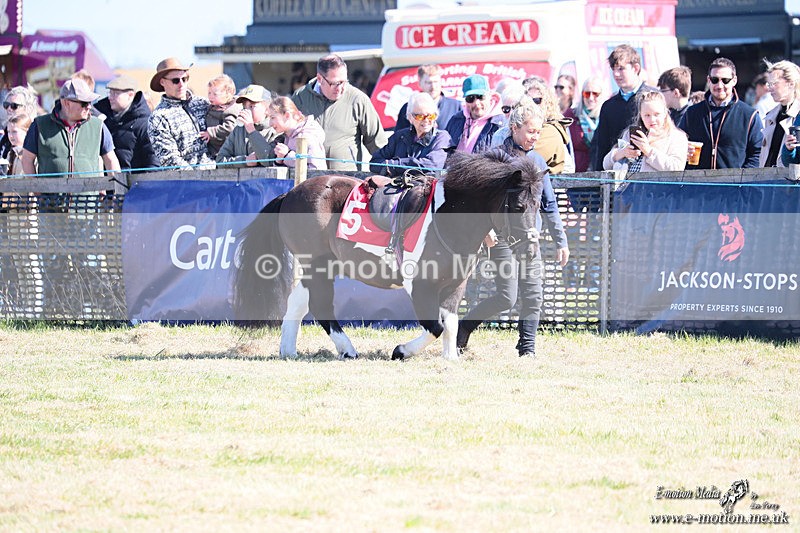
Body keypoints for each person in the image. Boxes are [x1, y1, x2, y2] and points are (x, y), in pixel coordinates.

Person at [457, 97, 569, 358]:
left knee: (533, 295)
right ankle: (464, 328)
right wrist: (485, 230)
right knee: (506, 297)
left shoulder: (539, 161)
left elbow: (549, 203)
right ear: (515, 128)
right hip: (502, 238)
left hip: (530, 236)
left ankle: (527, 349)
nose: (535, 137)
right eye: (531, 131)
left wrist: (561, 240)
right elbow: (475, 198)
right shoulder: (496, 159)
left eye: (538, 132)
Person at [292, 53, 387, 170]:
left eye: (344, 82)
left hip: (346, 177)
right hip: (308, 176)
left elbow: (377, 143)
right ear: (320, 79)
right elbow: (284, 132)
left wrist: (386, 169)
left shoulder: (358, 99)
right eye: (335, 83)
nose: (341, 88)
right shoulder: (300, 97)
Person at [21, 78, 120, 177]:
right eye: (84, 103)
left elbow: (111, 160)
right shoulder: (40, 125)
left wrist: (116, 184)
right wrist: (36, 186)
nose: (89, 107)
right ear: (66, 103)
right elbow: (27, 159)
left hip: (90, 187)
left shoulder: (98, 126)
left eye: (90, 102)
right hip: (51, 188)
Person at [678, 57, 762, 169]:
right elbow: (676, 146)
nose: (719, 85)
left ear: (734, 81)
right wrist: (683, 150)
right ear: (708, 80)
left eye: (725, 80)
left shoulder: (749, 115)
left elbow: (757, 154)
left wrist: (743, 178)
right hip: (698, 179)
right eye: (715, 80)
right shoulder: (691, 113)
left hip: (735, 180)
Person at [590, 44, 657, 170]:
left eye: (621, 69)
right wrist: (599, 177)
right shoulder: (608, 106)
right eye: (613, 69)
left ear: (636, 68)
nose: (616, 74)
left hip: (650, 171)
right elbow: (602, 147)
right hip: (616, 172)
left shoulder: (654, 98)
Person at [147, 57, 215, 170]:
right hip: (188, 179)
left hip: (223, 175)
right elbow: (170, 160)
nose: (181, 84)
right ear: (162, 82)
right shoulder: (158, 118)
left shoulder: (203, 103)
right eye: (175, 80)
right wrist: (198, 178)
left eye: (184, 79)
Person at [602, 90, 688, 173]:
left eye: (657, 114)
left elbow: (677, 168)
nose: (652, 119)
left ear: (665, 113)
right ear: (641, 116)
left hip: (654, 183)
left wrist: (648, 151)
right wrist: (622, 153)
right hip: (625, 182)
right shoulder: (631, 134)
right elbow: (606, 165)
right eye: (647, 115)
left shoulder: (677, 137)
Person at [369, 92, 451, 176]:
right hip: (396, 184)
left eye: (430, 116)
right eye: (420, 116)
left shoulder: (442, 138)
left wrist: (392, 165)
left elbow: (431, 165)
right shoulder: (400, 136)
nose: (426, 120)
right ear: (410, 117)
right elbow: (375, 162)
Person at [92, 75, 159, 172]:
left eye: (115, 93)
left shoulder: (146, 124)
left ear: (130, 95)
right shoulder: (101, 116)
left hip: (135, 180)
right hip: (106, 180)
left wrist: (144, 181)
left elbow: (153, 160)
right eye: (110, 93)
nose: (110, 97)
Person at [216, 84, 282, 168]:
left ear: (267, 109)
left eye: (251, 106)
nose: (246, 110)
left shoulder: (275, 130)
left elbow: (269, 160)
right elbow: (220, 161)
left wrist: (251, 130)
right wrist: (244, 161)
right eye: (244, 106)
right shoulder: (238, 130)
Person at [524, 77, 574, 174]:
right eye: (527, 100)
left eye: (537, 100)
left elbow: (529, 162)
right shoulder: (529, 127)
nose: (531, 105)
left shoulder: (550, 131)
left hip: (549, 182)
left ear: (547, 103)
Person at [445, 74, 503, 154]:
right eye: (470, 98)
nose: (476, 103)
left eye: (480, 97)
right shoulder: (456, 119)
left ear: (490, 96)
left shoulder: (500, 123)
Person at [394, 64, 461, 131]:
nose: (433, 86)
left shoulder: (456, 107)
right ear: (420, 83)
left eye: (436, 82)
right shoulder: (408, 109)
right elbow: (400, 135)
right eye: (428, 82)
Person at [759, 60, 800, 168]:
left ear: (791, 84)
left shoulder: (797, 116)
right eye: (769, 84)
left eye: (774, 83)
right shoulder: (770, 116)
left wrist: (789, 150)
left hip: (789, 177)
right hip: (766, 177)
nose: (769, 88)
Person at [267, 96, 327, 170]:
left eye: (273, 117)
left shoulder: (308, 136)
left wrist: (287, 155)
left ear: (287, 115)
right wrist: (279, 162)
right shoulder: (286, 137)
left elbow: (317, 169)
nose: (270, 123)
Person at [563, 76, 605, 172]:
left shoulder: (606, 116)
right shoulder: (570, 115)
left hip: (601, 171)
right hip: (576, 172)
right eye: (587, 93)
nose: (591, 98)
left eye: (595, 94)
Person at [0, 86, 39, 174]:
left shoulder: (38, 134)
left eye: (14, 106)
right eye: (6, 105)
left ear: (29, 108)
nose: (9, 109)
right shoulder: (4, 137)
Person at [201, 74, 241, 158]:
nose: (210, 96)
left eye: (215, 94)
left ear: (228, 94)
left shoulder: (230, 110)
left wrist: (210, 132)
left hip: (225, 149)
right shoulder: (213, 106)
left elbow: (230, 127)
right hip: (213, 147)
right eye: (209, 93)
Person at [490, 82, 527, 147]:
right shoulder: (498, 136)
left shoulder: (533, 133)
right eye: (506, 109)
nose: (511, 113)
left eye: (515, 108)